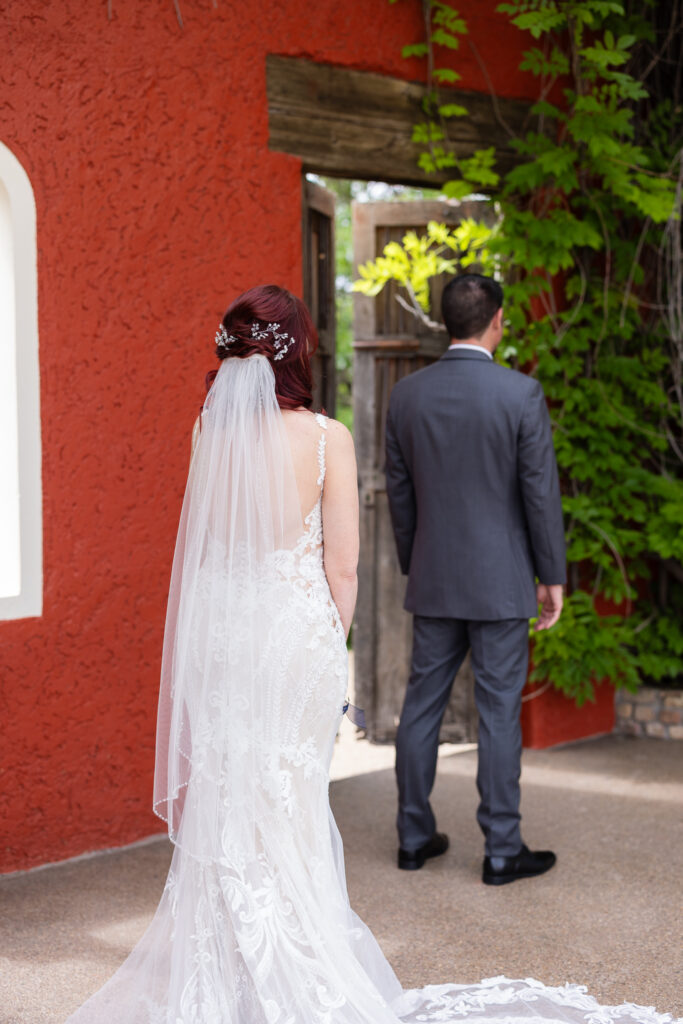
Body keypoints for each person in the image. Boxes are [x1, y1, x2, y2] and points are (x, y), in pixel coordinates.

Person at [64, 284, 672, 1024]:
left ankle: (322, 897)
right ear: (299, 352)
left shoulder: (213, 432)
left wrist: (411, 564)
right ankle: (473, 860)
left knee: (238, 791)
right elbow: (347, 567)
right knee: (307, 788)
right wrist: (333, 640)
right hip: (313, 634)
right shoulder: (334, 435)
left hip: (228, 641)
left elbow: (215, 549)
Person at [385, 273, 566, 883]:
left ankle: (413, 838)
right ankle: (501, 851)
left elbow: (401, 495)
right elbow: (539, 496)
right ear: (497, 321)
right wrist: (552, 575)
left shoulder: (406, 396)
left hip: (436, 578)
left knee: (421, 709)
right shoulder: (521, 394)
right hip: (501, 582)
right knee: (497, 713)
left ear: (445, 322)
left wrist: (419, 561)